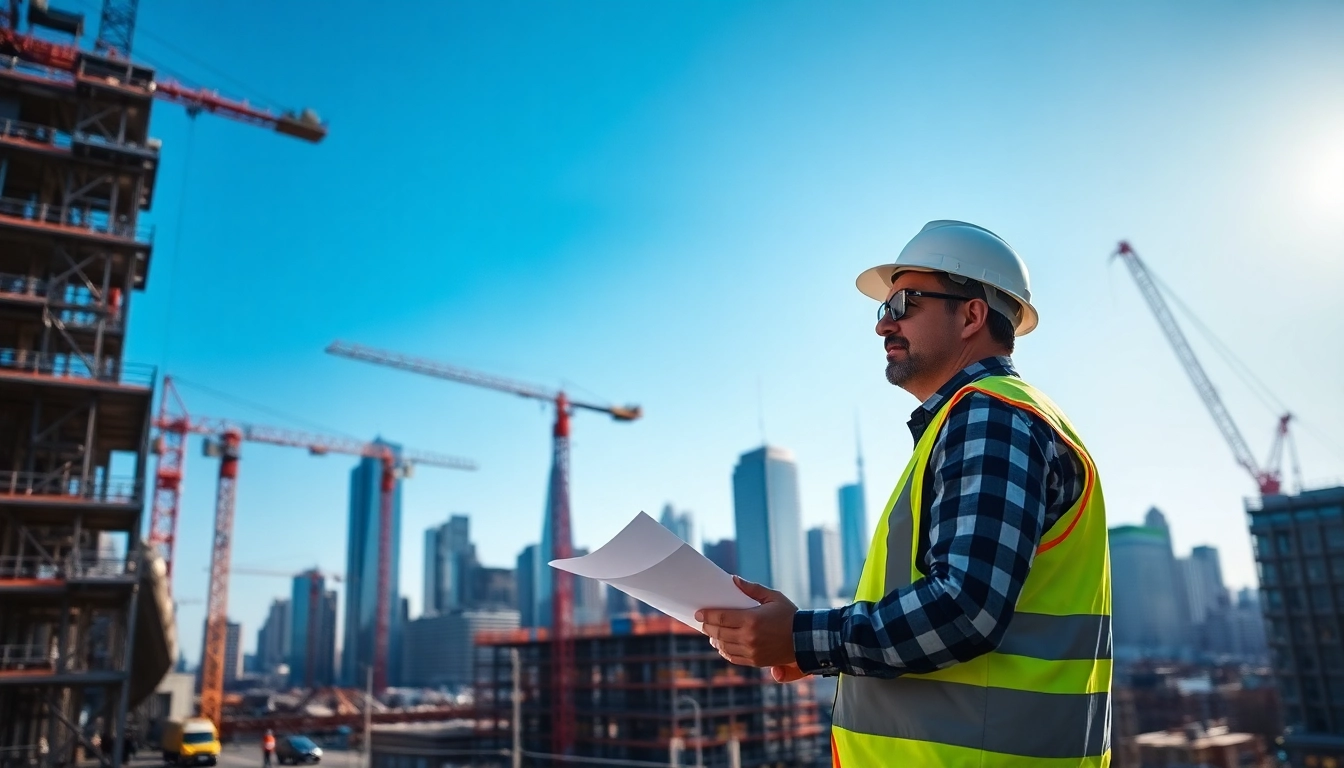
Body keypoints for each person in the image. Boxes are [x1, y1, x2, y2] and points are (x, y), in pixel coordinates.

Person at [697, 220, 1112, 767]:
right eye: (884, 308)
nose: (884, 325)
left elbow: (965, 610)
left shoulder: (990, 415)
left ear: (971, 315)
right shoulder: (979, 421)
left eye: (907, 303)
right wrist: (813, 649)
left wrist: (800, 638)